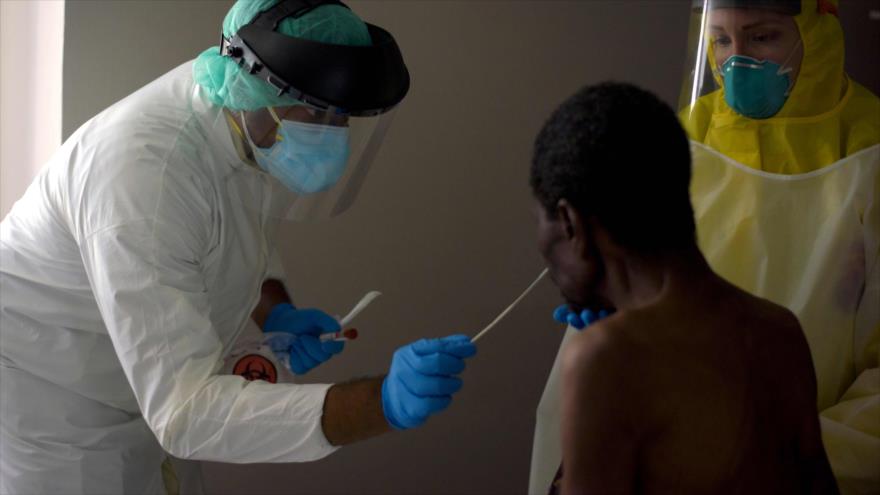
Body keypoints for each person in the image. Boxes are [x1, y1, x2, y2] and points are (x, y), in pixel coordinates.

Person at [0, 1, 476, 493]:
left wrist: (275, 313)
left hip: (144, 385)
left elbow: (228, 231)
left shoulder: (242, 116)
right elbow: (185, 414)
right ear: (258, 84)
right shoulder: (146, 177)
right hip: (60, 408)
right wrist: (380, 404)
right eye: (316, 110)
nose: (331, 133)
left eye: (342, 118)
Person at [529, 1, 878, 493]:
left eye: (762, 38)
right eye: (720, 40)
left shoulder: (870, 154)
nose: (737, 62)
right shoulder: (684, 136)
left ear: (818, 29)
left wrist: (734, 459)